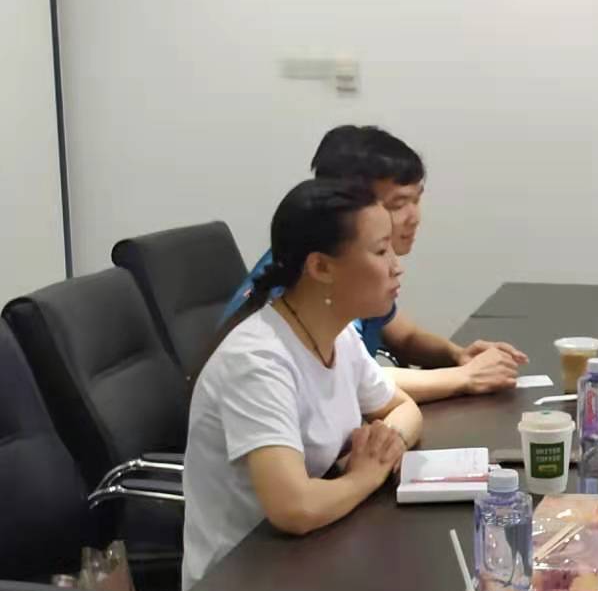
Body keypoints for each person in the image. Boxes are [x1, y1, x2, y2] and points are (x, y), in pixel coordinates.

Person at [183, 177, 425, 590]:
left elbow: (404, 408)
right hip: (240, 588)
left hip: (310, 555)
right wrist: (365, 475)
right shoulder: (258, 361)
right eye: (380, 251)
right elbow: (293, 508)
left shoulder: (338, 335)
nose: (396, 265)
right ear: (321, 267)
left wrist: (387, 443)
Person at [222, 125, 525, 402]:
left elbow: (404, 336)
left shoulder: (354, 269)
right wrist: (464, 377)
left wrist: (458, 355)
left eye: (417, 199)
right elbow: (359, 381)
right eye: (399, 204)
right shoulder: (316, 278)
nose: (414, 217)